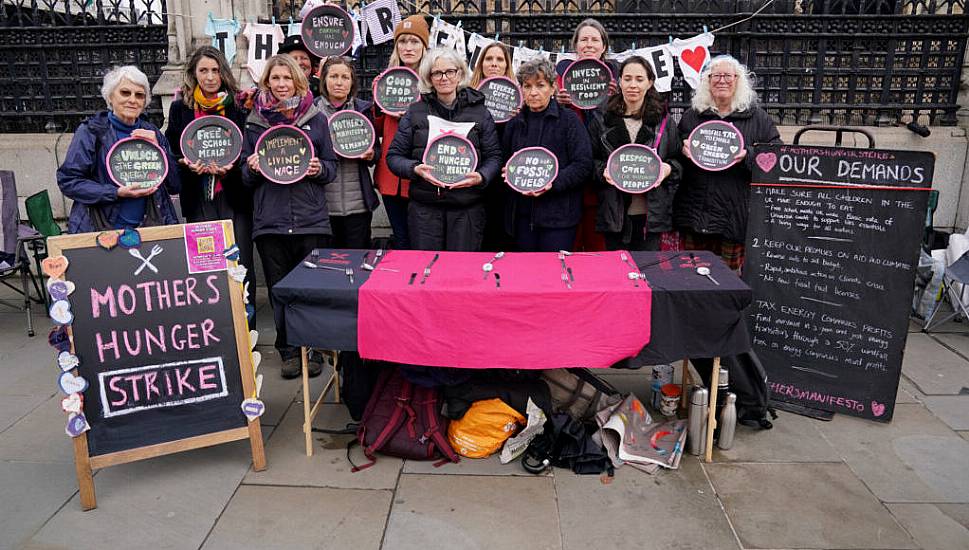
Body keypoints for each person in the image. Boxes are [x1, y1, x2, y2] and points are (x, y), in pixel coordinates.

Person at [241, 55, 338, 378]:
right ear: (267, 82)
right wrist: (252, 168)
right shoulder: (255, 122)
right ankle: (287, 350)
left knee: (310, 288)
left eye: (287, 78)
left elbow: (331, 168)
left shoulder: (316, 119)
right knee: (280, 289)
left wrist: (319, 168)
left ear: (297, 81)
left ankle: (311, 347)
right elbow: (243, 176)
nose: (281, 84)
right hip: (271, 220)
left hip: (310, 217)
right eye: (275, 78)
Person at [164, 46, 256, 312]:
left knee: (241, 260)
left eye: (215, 70)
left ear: (223, 73)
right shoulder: (181, 107)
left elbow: (247, 147)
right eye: (203, 70)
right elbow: (172, 147)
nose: (210, 76)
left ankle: (245, 322)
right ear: (194, 73)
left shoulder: (238, 105)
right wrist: (184, 162)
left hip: (233, 194)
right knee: (207, 260)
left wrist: (233, 166)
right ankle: (215, 320)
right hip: (198, 195)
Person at [386, 47, 502, 251]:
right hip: (425, 210)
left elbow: (494, 156)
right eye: (437, 73)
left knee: (462, 273)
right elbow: (394, 156)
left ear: (459, 74)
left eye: (450, 71)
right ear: (429, 78)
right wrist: (414, 168)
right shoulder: (415, 112)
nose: (444, 77)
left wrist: (482, 177)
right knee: (426, 271)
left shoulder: (480, 113)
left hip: (467, 210)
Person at [674, 55, 781, 272]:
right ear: (707, 81)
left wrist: (747, 155)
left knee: (727, 278)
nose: (722, 81)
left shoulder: (758, 118)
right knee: (690, 274)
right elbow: (674, 155)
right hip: (695, 211)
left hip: (733, 213)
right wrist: (682, 150)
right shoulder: (692, 116)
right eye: (716, 76)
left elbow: (775, 157)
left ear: (738, 80)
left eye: (728, 76)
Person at [57, 65, 180, 233]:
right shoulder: (91, 132)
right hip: (103, 230)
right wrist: (115, 192)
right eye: (125, 93)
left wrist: (160, 151)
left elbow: (175, 185)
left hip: (150, 230)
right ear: (110, 97)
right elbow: (69, 181)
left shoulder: (152, 133)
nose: (132, 100)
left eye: (139, 95)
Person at [501, 58, 593, 252]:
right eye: (527, 86)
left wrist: (553, 183)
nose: (533, 92)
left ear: (552, 88)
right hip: (522, 218)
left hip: (559, 218)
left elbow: (583, 164)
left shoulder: (569, 121)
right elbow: (505, 160)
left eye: (540, 85)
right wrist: (508, 173)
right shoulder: (514, 124)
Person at [590, 56, 681, 251]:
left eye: (639, 79)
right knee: (616, 275)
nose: (633, 85)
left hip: (650, 215)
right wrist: (603, 172)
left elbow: (678, 161)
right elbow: (590, 161)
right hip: (614, 214)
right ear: (620, 81)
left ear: (650, 83)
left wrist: (667, 169)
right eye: (628, 78)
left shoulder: (664, 122)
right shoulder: (602, 119)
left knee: (647, 273)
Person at [556, 18, 616, 252]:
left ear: (604, 46)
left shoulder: (616, 77)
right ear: (576, 46)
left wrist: (615, 100)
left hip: (603, 172)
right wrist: (558, 103)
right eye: (584, 40)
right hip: (571, 166)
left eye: (594, 39)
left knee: (596, 244)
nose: (589, 44)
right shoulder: (562, 78)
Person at [373, 15, 429, 249]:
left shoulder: (433, 82)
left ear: (424, 46)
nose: (408, 47)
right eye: (403, 41)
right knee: (402, 239)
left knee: (422, 241)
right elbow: (375, 129)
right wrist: (379, 105)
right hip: (391, 176)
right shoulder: (383, 82)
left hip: (421, 172)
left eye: (414, 41)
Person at [314, 57, 380, 248]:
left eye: (345, 77)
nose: (339, 82)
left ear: (352, 82)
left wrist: (371, 155)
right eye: (334, 76)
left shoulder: (364, 110)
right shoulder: (312, 111)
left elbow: (377, 149)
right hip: (324, 205)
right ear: (324, 79)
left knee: (358, 260)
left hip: (358, 203)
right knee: (328, 264)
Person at [470, 41, 517, 251]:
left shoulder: (519, 100)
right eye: (489, 59)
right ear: (481, 64)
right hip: (478, 176)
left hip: (507, 177)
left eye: (500, 60)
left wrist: (519, 117)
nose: (494, 64)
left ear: (507, 66)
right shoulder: (468, 96)